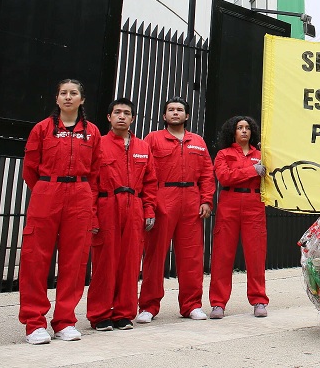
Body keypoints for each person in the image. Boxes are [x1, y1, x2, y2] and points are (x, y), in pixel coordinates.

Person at [20, 79, 102, 344]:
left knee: (74, 261)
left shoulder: (92, 132)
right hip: (47, 192)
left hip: (80, 193)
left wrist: (87, 198)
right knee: (35, 259)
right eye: (63, 93)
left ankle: (65, 320)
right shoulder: (42, 129)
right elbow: (30, 168)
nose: (68, 97)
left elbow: (96, 171)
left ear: (82, 99)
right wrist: (46, 190)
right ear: (56, 99)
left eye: (73, 93)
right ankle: (34, 322)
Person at [137, 97, 215, 322]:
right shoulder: (153, 139)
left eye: (179, 110)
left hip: (191, 200)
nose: (175, 113)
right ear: (164, 116)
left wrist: (206, 200)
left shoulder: (197, 141)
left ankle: (192, 305)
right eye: (170, 109)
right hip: (163, 198)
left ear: (187, 116)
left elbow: (207, 173)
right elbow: (145, 173)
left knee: (192, 256)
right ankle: (148, 306)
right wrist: (149, 204)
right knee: (155, 255)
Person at [86, 98, 157, 331]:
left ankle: (124, 313)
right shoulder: (98, 144)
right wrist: (92, 215)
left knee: (130, 262)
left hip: (134, 206)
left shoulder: (143, 147)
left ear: (133, 118)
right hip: (107, 205)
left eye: (127, 113)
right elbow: (91, 183)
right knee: (104, 262)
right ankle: (99, 315)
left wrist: (149, 209)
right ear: (109, 117)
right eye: (117, 112)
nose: (122, 116)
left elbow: (151, 182)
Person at [209, 116, 269, 319]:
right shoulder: (223, 154)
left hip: (254, 205)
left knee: (256, 254)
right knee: (222, 255)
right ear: (232, 132)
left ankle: (259, 299)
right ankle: (218, 303)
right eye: (239, 127)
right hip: (229, 204)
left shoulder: (261, 155)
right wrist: (252, 170)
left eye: (247, 128)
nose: (244, 131)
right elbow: (225, 177)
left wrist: (268, 153)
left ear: (252, 132)